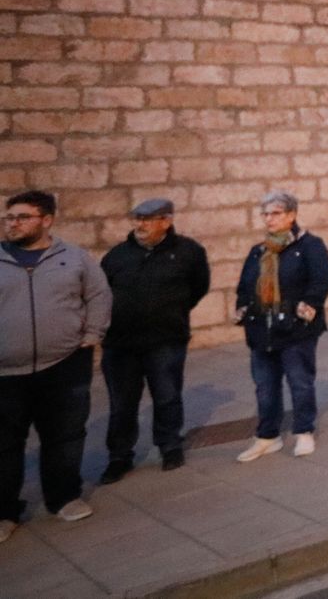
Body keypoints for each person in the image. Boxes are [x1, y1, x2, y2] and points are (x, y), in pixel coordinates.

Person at [1, 191, 109, 538]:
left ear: (46, 220)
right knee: (4, 443)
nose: (12, 224)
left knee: (64, 436)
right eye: (8, 218)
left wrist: (93, 333)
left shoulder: (74, 258)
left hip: (64, 365)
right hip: (5, 373)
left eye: (21, 217)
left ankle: (63, 497)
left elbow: (98, 295)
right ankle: (4, 511)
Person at [98, 198, 210, 481]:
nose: (140, 225)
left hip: (166, 340)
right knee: (122, 404)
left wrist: (170, 312)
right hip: (121, 345)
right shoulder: (117, 256)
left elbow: (198, 287)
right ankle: (120, 456)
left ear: (166, 221)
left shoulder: (188, 252)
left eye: (147, 219)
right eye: (137, 218)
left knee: (167, 397)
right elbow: (101, 293)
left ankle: (170, 446)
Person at [233, 191, 328, 462]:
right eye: (265, 214)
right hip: (261, 330)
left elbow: (320, 283)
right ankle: (267, 436)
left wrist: (305, 310)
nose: (269, 219)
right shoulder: (259, 251)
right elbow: (244, 286)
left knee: (299, 382)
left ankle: (303, 431)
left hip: (295, 330)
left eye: (275, 213)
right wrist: (243, 307)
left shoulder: (309, 246)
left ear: (291, 215)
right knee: (264, 386)